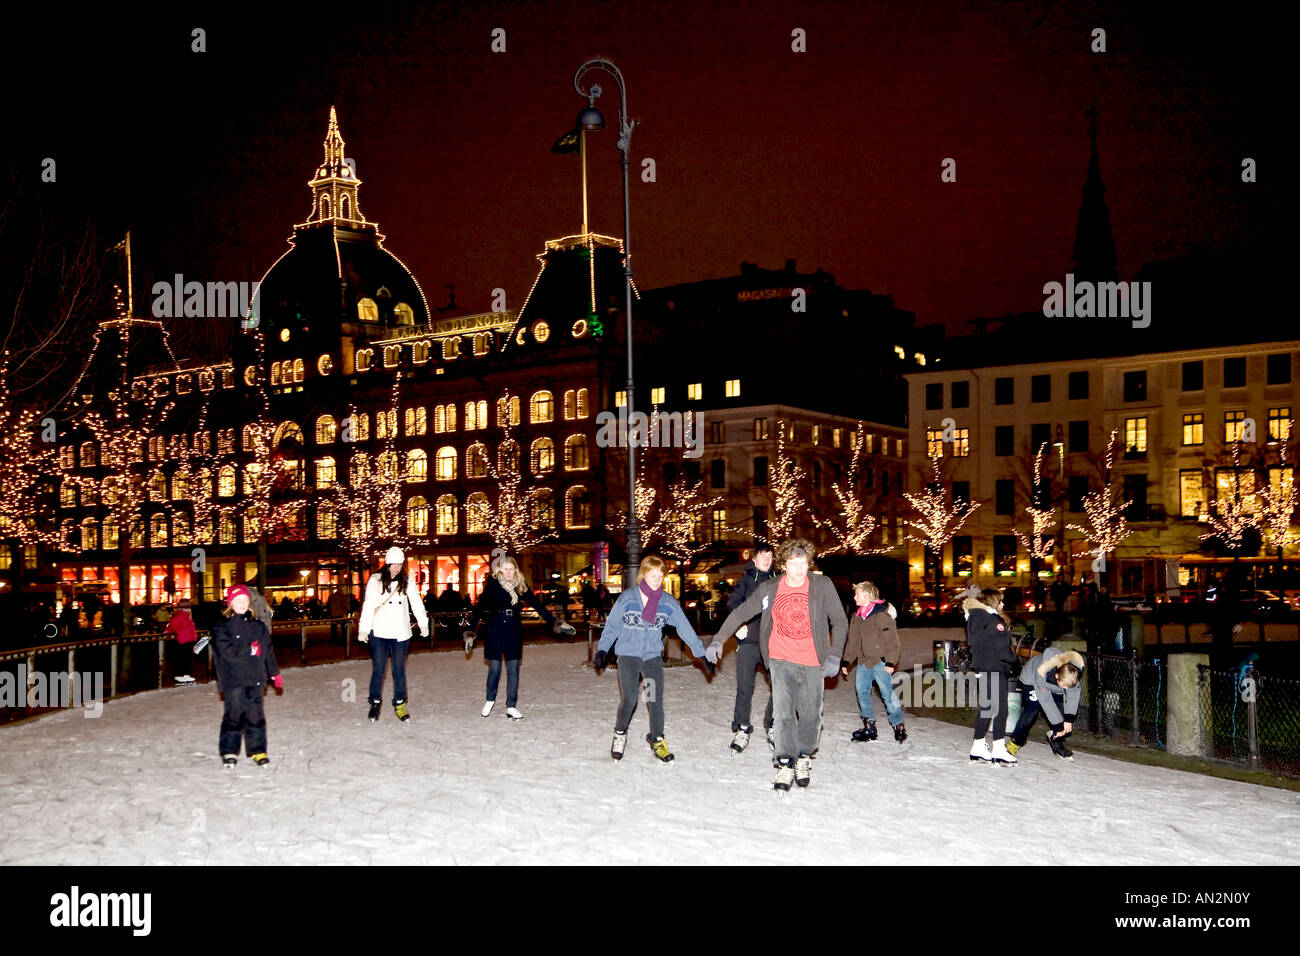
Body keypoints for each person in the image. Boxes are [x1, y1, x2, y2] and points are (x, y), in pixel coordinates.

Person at [711, 539, 848, 791]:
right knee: (783, 712)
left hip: (812, 659)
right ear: (784, 565)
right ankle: (785, 763)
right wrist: (719, 639)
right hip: (780, 657)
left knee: (811, 715)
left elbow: (840, 621)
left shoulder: (822, 585)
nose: (799, 569)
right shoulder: (771, 588)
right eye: (794, 563)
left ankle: (804, 756)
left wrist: (834, 655)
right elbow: (741, 612)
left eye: (804, 563)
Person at [593, 554, 711, 762]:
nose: (657, 579)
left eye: (660, 576)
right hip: (628, 656)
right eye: (652, 575)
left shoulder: (666, 602)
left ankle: (657, 739)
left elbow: (685, 628)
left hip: (652, 658)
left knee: (654, 698)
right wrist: (602, 650)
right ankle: (620, 733)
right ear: (643, 575)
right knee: (629, 699)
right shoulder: (628, 598)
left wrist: (700, 653)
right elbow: (612, 626)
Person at [463, 555, 575, 719]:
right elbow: (479, 608)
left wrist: (555, 622)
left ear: (515, 570)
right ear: (500, 570)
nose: (508, 572)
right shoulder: (493, 585)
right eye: (505, 569)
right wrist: (471, 632)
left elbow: (538, 605)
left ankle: (511, 706)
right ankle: (490, 699)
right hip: (494, 629)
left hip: (513, 630)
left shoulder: (521, 586)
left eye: (511, 569)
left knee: (513, 669)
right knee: (495, 668)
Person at [211, 585, 282, 768]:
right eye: (238, 600)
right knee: (233, 715)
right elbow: (226, 652)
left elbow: (267, 651)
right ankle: (229, 751)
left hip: (255, 677)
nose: (242, 603)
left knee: (255, 715)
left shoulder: (258, 626)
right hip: (234, 679)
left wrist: (274, 673)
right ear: (230, 603)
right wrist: (248, 649)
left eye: (244, 600)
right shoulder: (222, 627)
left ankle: (258, 750)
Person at [358, 546, 429, 723]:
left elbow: (416, 602)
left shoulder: (407, 580)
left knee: (399, 670)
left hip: (400, 633)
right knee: (379, 670)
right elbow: (368, 605)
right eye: (393, 564)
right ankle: (374, 703)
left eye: (400, 564)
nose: (397, 568)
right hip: (379, 632)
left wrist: (423, 623)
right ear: (387, 563)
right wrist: (363, 628)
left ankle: (400, 703)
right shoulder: (375, 580)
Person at [722, 541, 778, 753]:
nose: (766, 560)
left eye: (769, 556)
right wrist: (739, 625)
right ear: (754, 560)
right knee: (745, 687)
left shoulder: (779, 581)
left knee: (779, 685)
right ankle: (742, 728)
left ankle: (772, 724)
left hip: (773, 643)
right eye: (762, 556)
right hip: (748, 641)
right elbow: (733, 604)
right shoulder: (745, 582)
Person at [839, 580, 906, 744]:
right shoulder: (857, 617)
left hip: (880, 662)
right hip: (863, 662)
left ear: (868, 596)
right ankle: (869, 725)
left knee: (887, 694)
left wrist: (890, 662)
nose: (854, 597)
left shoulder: (881, 616)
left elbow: (892, 642)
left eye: (858, 594)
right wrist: (846, 661)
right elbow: (853, 642)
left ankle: (898, 725)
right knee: (861, 692)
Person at [964, 588, 1019, 765]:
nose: (1003, 604)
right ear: (993, 602)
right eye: (1000, 601)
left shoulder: (977, 619)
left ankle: (978, 745)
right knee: (1001, 709)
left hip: (983, 668)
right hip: (995, 668)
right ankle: (999, 748)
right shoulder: (993, 621)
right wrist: (1014, 661)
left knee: (988, 708)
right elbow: (1002, 648)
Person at [1006, 645, 1083, 760]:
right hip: (1031, 680)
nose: (1066, 689)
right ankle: (1015, 742)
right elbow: (1046, 700)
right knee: (1032, 708)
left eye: (1068, 686)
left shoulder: (1072, 672)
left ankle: (1057, 741)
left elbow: (1073, 695)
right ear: (1056, 676)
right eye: (1064, 686)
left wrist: (1068, 719)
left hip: (1054, 685)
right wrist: (1058, 725)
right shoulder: (1042, 671)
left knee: (1059, 712)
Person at [164, 597, 199, 684]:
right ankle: (179, 675)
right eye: (188, 608)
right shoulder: (181, 617)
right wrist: (168, 631)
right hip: (183, 640)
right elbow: (173, 626)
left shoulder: (186, 617)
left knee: (186, 658)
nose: (189, 609)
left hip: (187, 640)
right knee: (182, 658)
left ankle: (185, 674)